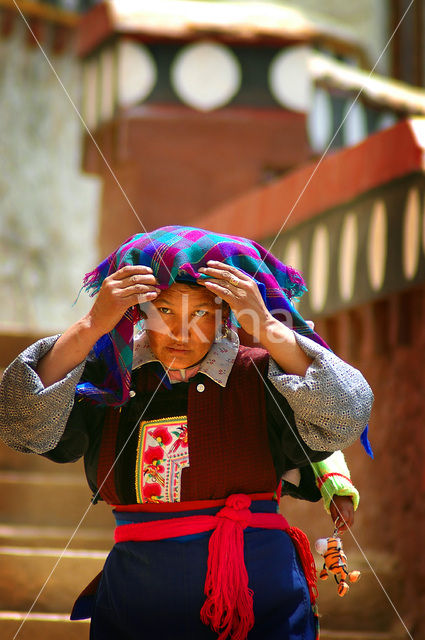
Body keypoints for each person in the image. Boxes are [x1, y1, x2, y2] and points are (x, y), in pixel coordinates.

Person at [0, 226, 372, 640]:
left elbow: (347, 412)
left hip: (258, 603)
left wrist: (266, 324)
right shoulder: (109, 382)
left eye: (199, 314)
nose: (180, 333)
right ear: (139, 314)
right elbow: (20, 422)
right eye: (164, 313)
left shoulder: (263, 376)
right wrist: (91, 325)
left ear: (225, 317)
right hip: (136, 602)